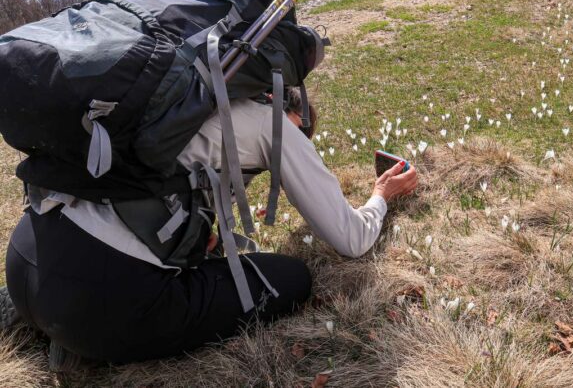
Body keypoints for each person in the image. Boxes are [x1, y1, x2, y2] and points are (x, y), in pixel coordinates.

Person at [1, 87, 419, 368]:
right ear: (280, 101)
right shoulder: (271, 122)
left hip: (25, 254)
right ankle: (76, 337)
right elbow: (352, 239)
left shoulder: (183, 99)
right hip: (99, 304)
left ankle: (39, 314)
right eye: (303, 130)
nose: (303, 139)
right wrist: (381, 194)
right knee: (292, 278)